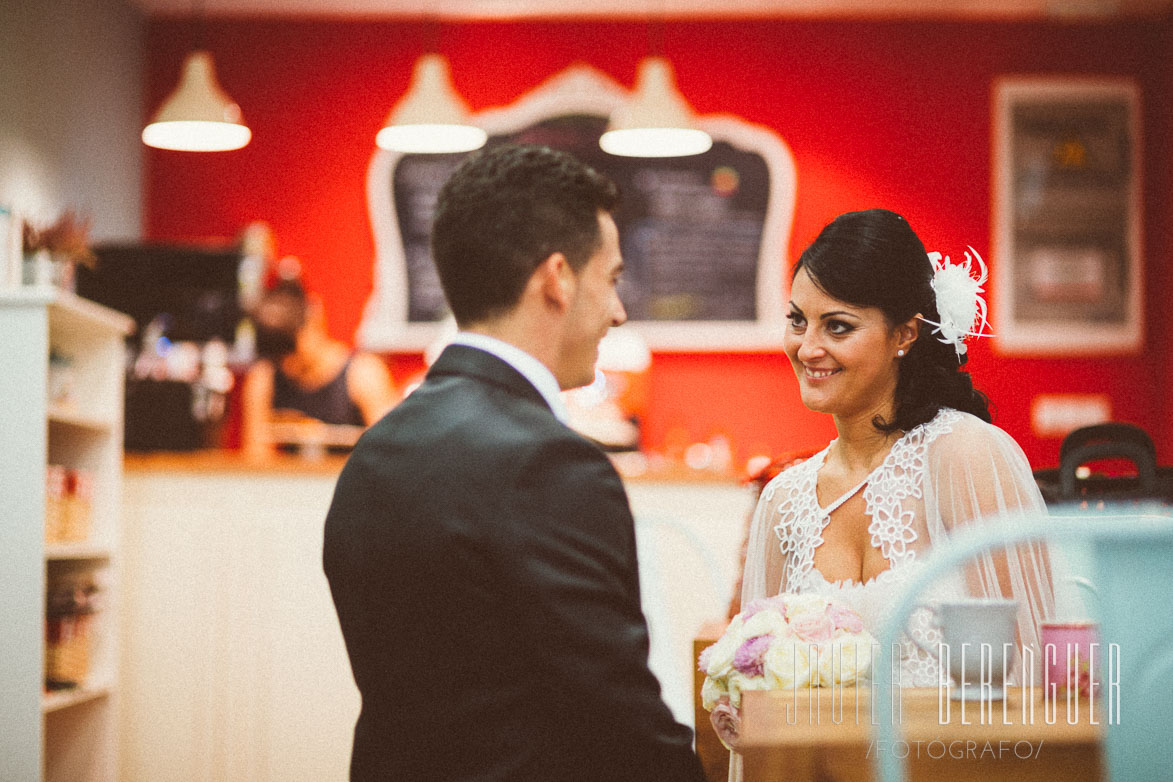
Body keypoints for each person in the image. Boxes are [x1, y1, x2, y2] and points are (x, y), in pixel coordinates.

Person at [322, 144, 706, 781]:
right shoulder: (554, 466)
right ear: (556, 278)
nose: (619, 311)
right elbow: (618, 720)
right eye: (611, 279)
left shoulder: (376, 450)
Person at [717, 209, 1055, 773]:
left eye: (838, 326)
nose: (808, 347)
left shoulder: (967, 456)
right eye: (798, 321)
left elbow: (1038, 673)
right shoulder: (784, 499)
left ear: (905, 333)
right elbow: (761, 688)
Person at [240, 280, 399, 457]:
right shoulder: (265, 376)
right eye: (279, 357)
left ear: (313, 319)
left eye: (292, 351)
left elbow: (389, 453)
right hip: (290, 482)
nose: (288, 364)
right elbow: (255, 460)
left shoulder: (363, 373)